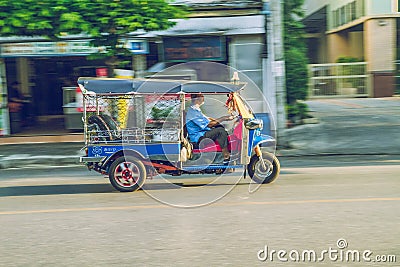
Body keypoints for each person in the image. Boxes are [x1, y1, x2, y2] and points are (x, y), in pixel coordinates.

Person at [186, 93, 234, 164]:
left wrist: (221, 121)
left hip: (202, 134)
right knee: (220, 131)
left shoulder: (197, 110)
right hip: (198, 138)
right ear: (196, 99)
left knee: (220, 127)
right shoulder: (193, 112)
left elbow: (208, 119)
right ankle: (226, 156)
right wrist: (224, 118)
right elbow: (209, 124)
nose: (203, 97)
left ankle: (225, 154)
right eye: (201, 96)